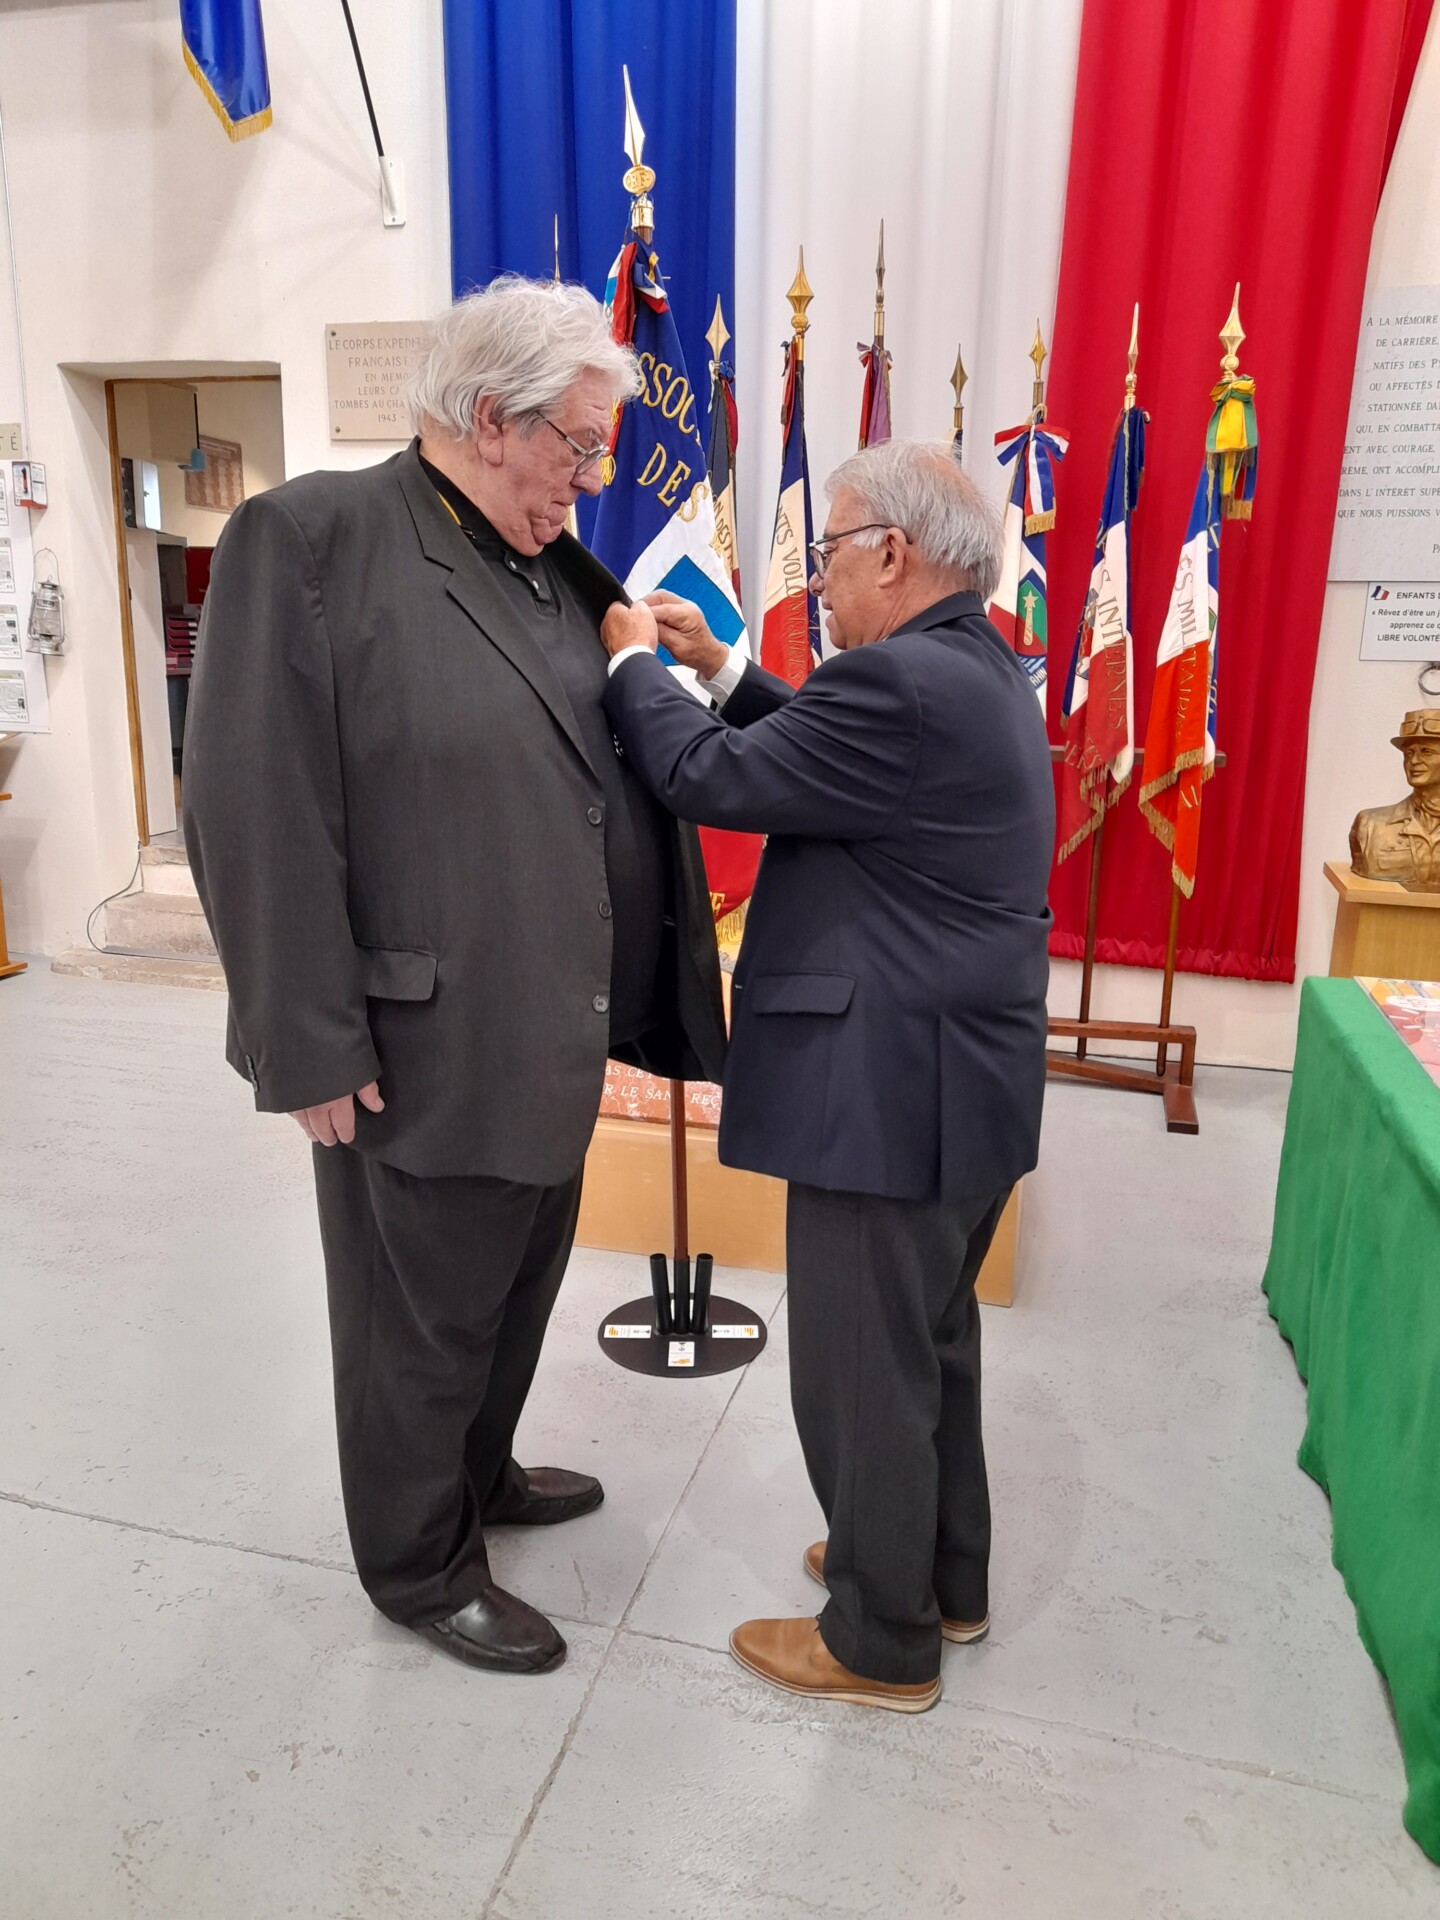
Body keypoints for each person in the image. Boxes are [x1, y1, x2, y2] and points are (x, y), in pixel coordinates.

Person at [184, 277, 727, 1677]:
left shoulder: (548, 565)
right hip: (416, 1042)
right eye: (579, 448)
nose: (594, 482)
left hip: (547, 1029)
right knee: (416, 1326)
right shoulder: (311, 541)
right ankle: (418, 1565)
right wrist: (304, 1040)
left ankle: (479, 1478)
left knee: (514, 1290)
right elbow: (254, 804)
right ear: (490, 420)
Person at [600, 440, 1054, 1713]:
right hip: (960, 1087)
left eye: (833, 553)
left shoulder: (903, 685)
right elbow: (823, 746)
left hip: (883, 1095)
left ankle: (877, 1634)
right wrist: (720, 669)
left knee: (860, 1368)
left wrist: (632, 660)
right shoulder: (978, 670)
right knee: (929, 1348)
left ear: (894, 556)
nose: (823, 580)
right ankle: (935, 1575)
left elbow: (704, 778)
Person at [1349, 708, 1440, 891]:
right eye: (1409, 753)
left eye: (1426, 752)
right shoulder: (1370, 825)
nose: (1414, 761)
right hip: (1382, 918)